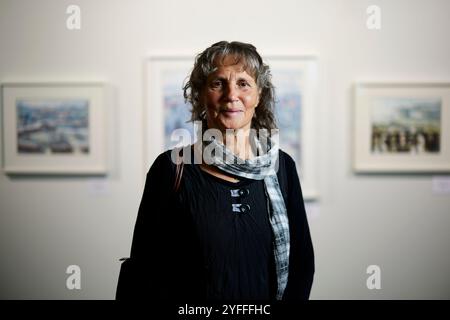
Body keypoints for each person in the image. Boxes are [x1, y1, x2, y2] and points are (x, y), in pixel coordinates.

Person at [116, 41, 314, 301]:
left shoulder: (282, 167)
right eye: (218, 83)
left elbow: (301, 263)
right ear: (200, 94)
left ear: (259, 95)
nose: (231, 95)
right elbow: (146, 269)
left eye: (243, 83)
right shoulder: (171, 168)